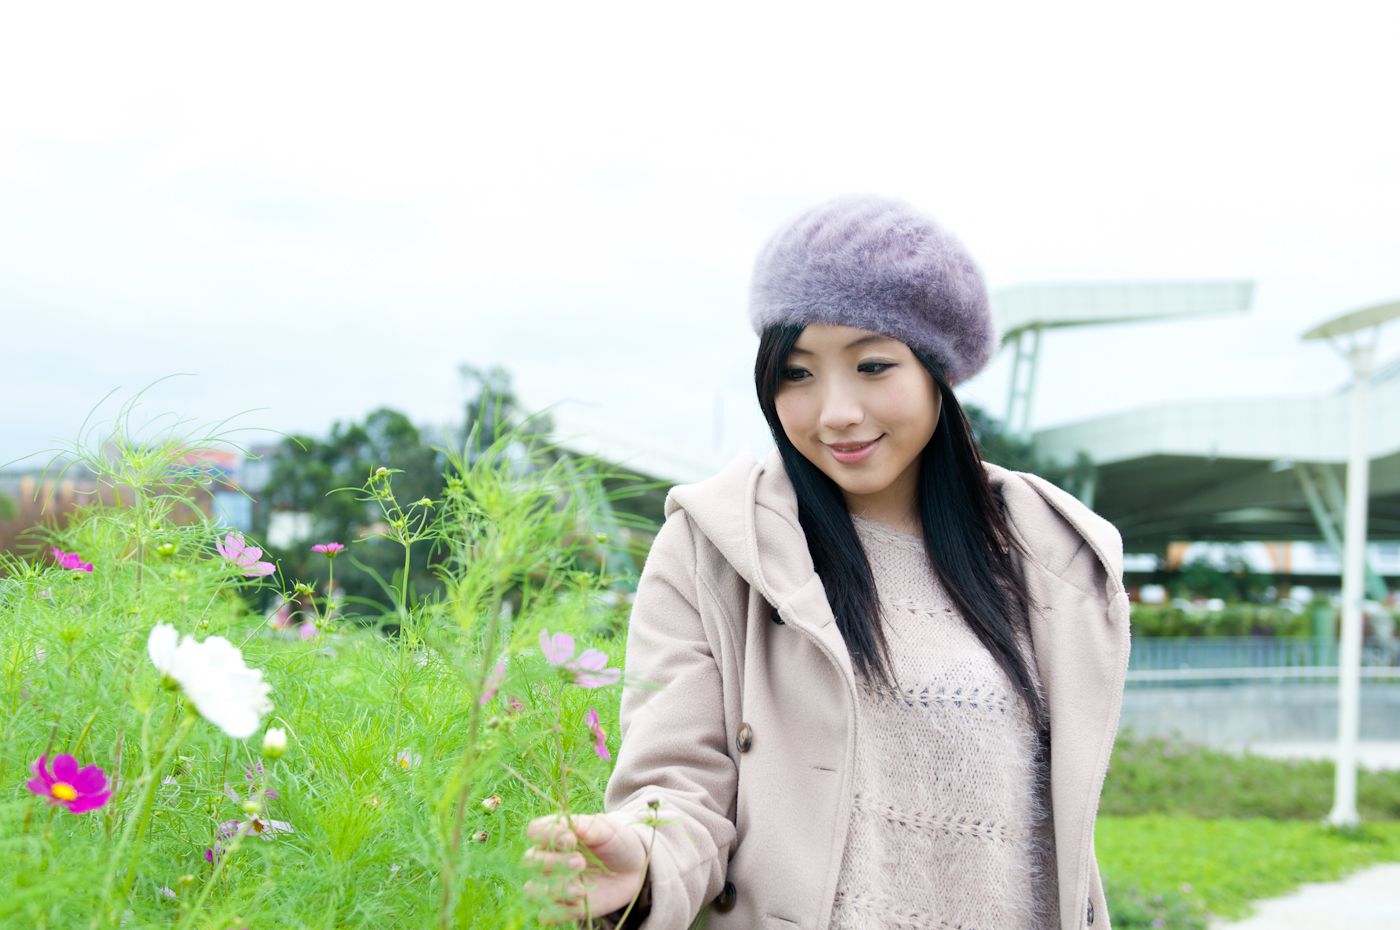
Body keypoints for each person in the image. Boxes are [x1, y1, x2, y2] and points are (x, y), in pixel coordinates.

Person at [523, 195, 1130, 930]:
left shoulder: (1049, 554)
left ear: (938, 371)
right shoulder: (715, 548)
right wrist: (642, 855)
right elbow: (679, 784)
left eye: (873, 365)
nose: (834, 411)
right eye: (798, 374)